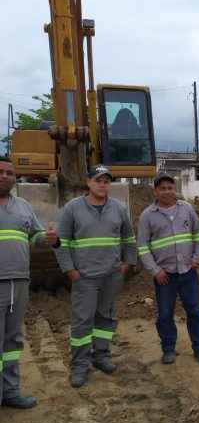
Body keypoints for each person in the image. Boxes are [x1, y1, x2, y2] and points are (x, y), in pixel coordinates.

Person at [54, 165, 137, 388]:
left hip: (111, 275)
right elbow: (61, 242)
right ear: (88, 182)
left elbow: (129, 238)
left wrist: (127, 264)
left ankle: (101, 355)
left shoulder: (118, 208)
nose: (103, 184)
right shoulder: (73, 208)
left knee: (106, 318)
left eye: (106, 181)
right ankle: (80, 364)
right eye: (98, 180)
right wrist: (70, 270)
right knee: (82, 321)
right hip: (85, 277)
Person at [0, 157, 58, 409]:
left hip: (19, 281)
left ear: (15, 178)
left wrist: (48, 239)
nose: (4, 176)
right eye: (0, 172)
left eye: (9, 173)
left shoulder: (23, 205)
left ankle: (10, 391)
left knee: (12, 340)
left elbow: (35, 236)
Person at [137, 172, 199, 364]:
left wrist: (196, 258)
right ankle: (168, 348)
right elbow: (143, 247)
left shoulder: (186, 209)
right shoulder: (147, 216)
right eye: (163, 188)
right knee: (165, 314)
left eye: (170, 187)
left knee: (194, 311)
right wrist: (155, 271)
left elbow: (198, 235)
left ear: (174, 189)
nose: (167, 191)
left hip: (188, 272)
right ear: (156, 191)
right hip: (164, 276)